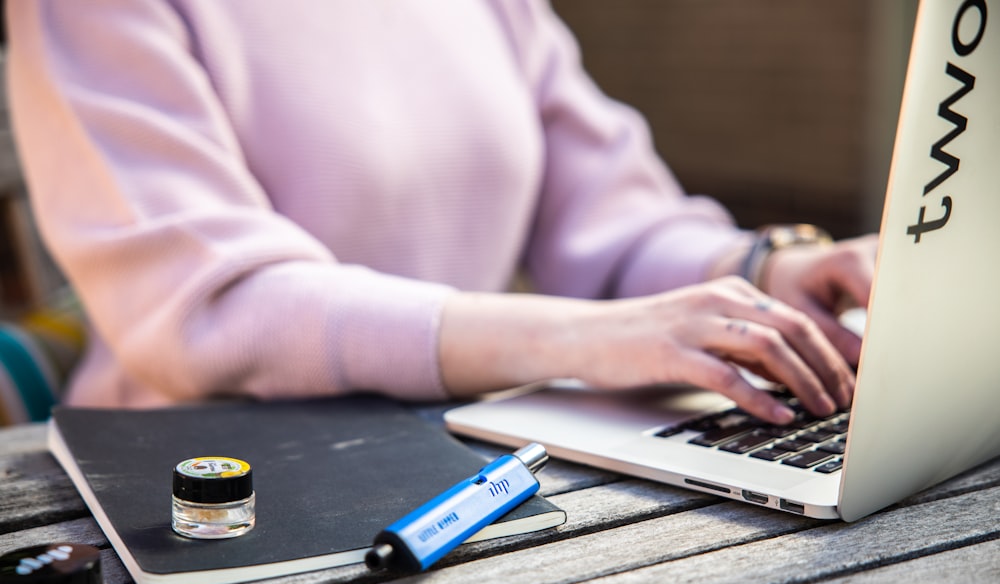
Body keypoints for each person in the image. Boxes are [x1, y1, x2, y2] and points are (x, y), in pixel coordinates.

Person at [5, 1, 875, 424]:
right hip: (203, 497)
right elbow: (214, 308)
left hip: (468, 453)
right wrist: (582, 338)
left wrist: (764, 276)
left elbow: (614, 224)